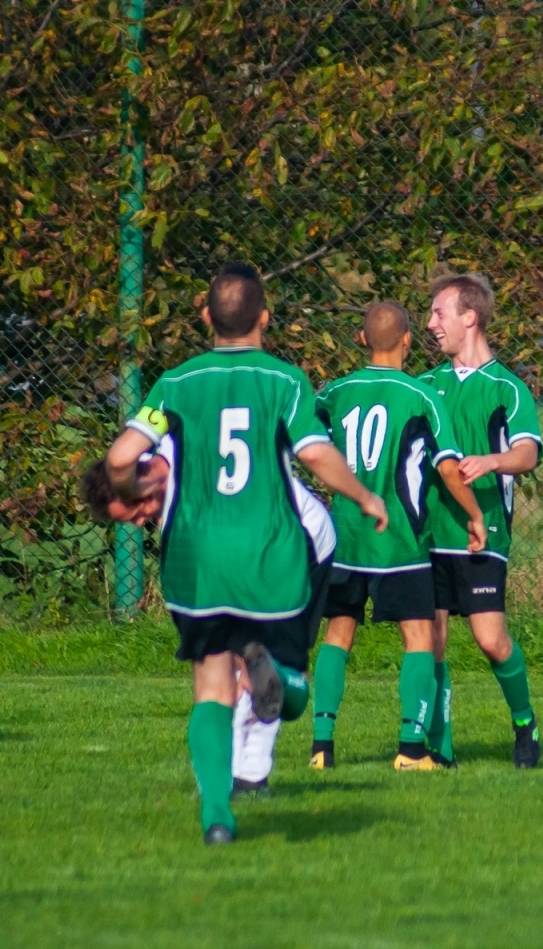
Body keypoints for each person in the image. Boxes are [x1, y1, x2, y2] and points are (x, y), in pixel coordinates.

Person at [102, 263, 387, 844]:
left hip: (197, 559)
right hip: (269, 555)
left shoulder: (174, 384)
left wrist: (129, 488)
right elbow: (314, 453)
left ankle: (217, 817)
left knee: (210, 687)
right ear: (265, 317)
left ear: (207, 317)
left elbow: (120, 457)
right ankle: (277, 679)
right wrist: (363, 496)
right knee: (288, 679)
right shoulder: (285, 381)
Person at [80, 450, 337, 796]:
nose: (140, 522)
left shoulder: (190, 475)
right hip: (253, 542)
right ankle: (237, 771)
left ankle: (250, 773)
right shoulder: (168, 477)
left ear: (140, 481)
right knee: (241, 659)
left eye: (137, 510)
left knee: (271, 662)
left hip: (299, 535)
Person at [309, 301, 487, 772]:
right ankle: (410, 749)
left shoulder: (334, 393)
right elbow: (447, 468)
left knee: (338, 632)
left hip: (345, 537)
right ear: (408, 340)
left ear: (362, 340)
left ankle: (321, 747)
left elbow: (306, 445)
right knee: (418, 635)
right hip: (400, 542)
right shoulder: (421, 396)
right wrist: (474, 514)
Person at [419, 273, 543, 768]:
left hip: (482, 532)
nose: (430, 323)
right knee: (432, 643)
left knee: (491, 641)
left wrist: (492, 462)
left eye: (438, 313)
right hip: (430, 534)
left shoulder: (507, 388)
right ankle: (440, 747)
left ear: (469, 317)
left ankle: (525, 722)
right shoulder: (426, 385)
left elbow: (528, 454)